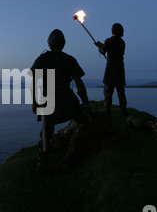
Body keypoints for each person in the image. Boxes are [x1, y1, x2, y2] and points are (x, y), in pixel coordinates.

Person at [30, 29, 91, 171]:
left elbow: (33, 83)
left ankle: (44, 159)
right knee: (85, 122)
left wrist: (34, 102)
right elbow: (79, 83)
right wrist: (86, 102)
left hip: (49, 99)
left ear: (49, 44)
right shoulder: (69, 59)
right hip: (67, 98)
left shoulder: (41, 59)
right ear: (63, 44)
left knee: (46, 131)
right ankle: (48, 157)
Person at [94, 23, 128, 117]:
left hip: (110, 69)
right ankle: (124, 110)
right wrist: (102, 45)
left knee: (108, 91)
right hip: (120, 69)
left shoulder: (108, 41)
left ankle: (107, 111)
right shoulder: (122, 42)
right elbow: (110, 48)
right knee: (121, 91)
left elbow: (103, 51)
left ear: (112, 30)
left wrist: (99, 47)